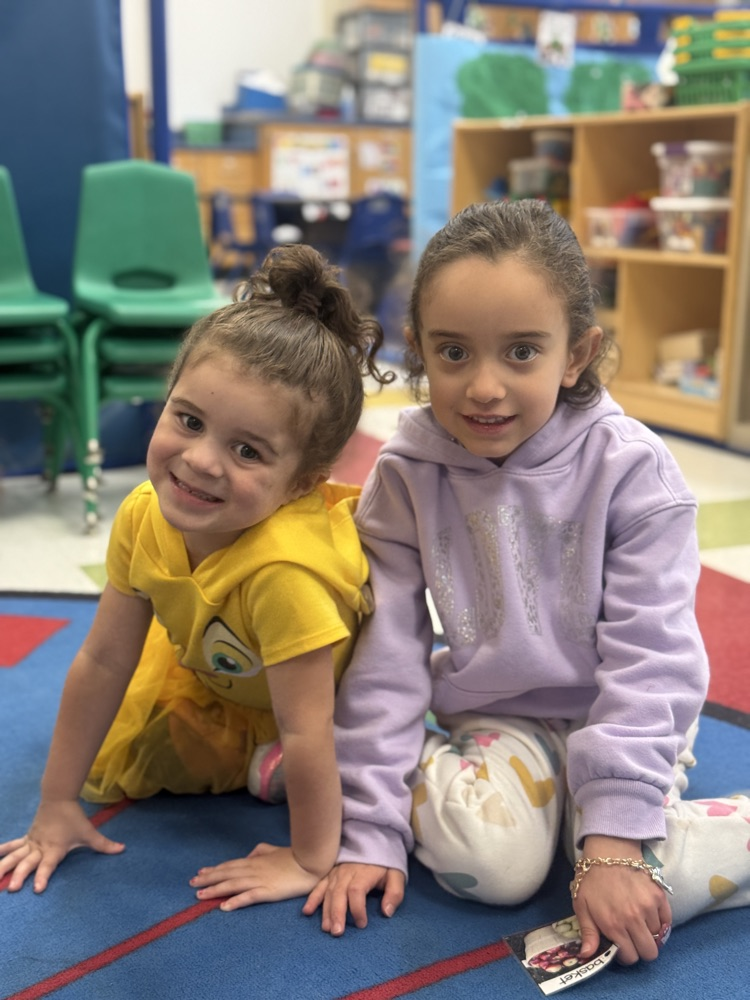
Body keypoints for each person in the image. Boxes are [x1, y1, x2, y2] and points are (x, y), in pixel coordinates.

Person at [303, 200, 750, 962]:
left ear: (576, 355)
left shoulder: (635, 472)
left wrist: (611, 844)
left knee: (631, 860)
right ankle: (332, 770)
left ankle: (624, 823)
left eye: (520, 352)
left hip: (626, 718)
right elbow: (385, 660)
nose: (483, 387)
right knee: (497, 869)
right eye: (453, 354)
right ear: (418, 349)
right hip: (499, 718)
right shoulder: (406, 476)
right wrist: (371, 827)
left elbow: (653, 658)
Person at [0, 244, 392, 909]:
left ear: (301, 482)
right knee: (109, 756)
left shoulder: (285, 576)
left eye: (247, 450)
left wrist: (307, 857)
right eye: (188, 420)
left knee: (178, 758)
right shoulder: (143, 513)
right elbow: (100, 661)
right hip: (224, 653)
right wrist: (56, 803)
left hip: (304, 702)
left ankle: (256, 764)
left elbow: (308, 729)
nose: (202, 461)